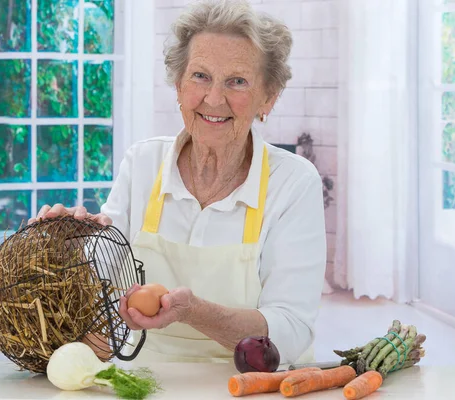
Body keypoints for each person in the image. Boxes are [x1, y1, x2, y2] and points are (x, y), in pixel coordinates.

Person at [30, 0, 326, 364]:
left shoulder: (292, 183)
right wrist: (63, 248)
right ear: (178, 84)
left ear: (268, 97)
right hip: (146, 380)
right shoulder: (143, 163)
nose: (214, 99)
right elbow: (97, 278)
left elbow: (291, 331)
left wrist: (194, 312)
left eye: (237, 81)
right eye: (200, 76)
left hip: (248, 385)